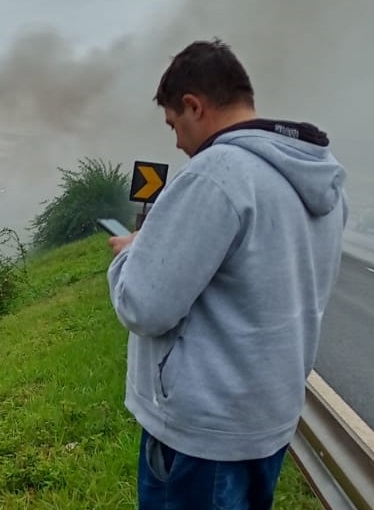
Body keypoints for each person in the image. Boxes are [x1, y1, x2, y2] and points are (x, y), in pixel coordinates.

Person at [106, 38, 348, 509]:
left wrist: (129, 255)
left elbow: (143, 304)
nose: (176, 141)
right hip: (265, 424)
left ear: (194, 106)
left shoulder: (216, 174)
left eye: (174, 123)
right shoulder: (321, 177)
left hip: (203, 436)